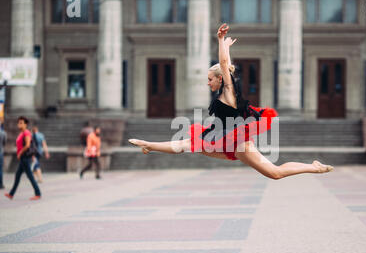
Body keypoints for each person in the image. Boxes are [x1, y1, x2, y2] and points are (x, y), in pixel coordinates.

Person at [129, 24, 333, 180]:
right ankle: (149, 145)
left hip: (237, 140)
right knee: (190, 143)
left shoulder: (229, 92)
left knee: (275, 173)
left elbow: (225, 65)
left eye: (210, 79)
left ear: (220, 79)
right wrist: (225, 46)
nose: (207, 82)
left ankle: (313, 167)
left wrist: (221, 40)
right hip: (224, 136)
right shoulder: (223, 94)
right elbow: (225, 64)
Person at [4, 116, 41, 200]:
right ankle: (11, 194)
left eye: (21, 123)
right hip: (23, 158)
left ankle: (38, 193)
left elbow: (27, 145)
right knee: (17, 175)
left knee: (30, 176)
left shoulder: (26, 133)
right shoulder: (21, 133)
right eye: (18, 122)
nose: (19, 124)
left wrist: (20, 153)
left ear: (25, 124)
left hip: (25, 157)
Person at [0, 124, 6, 189]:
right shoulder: (3, 133)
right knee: (0, 169)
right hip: (0, 152)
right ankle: (1, 184)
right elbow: (4, 142)